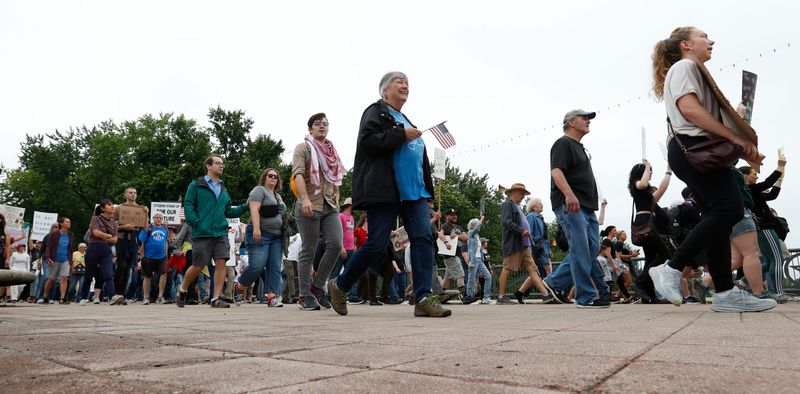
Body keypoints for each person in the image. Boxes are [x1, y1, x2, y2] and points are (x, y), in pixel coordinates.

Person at [648, 27, 775, 312]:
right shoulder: (684, 65)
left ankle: (725, 292)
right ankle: (671, 268)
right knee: (729, 209)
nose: (712, 40)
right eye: (704, 36)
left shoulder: (690, 70)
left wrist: (736, 125)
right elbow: (691, 111)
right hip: (694, 149)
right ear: (686, 44)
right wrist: (734, 137)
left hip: (694, 151)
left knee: (720, 217)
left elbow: (698, 113)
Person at [329, 71, 450, 317]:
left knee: (424, 239)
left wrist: (426, 189)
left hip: (415, 193)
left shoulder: (406, 119)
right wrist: (401, 134)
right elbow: (368, 142)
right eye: (399, 82)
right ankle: (340, 285)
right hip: (386, 189)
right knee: (375, 244)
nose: (405, 85)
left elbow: (420, 160)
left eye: (407, 83)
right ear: (385, 91)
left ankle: (424, 297)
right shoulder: (375, 111)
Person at [544, 109, 609, 308]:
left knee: (591, 247)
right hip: (571, 204)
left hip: (587, 206)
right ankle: (585, 297)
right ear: (571, 122)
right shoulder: (562, 144)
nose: (588, 121)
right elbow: (556, 172)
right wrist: (569, 194)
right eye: (584, 117)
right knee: (580, 248)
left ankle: (554, 282)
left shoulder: (580, 147)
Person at [176, 155, 247, 308]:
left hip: (220, 232)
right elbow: (188, 205)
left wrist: (246, 206)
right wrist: (196, 223)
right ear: (208, 166)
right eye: (217, 163)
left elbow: (228, 211)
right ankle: (182, 289)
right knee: (199, 265)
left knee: (221, 262)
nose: (221, 166)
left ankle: (215, 298)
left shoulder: (223, 188)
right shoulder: (196, 185)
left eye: (222, 163)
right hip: (202, 233)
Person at [291, 113, 346, 311]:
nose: (322, 126)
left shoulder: (331, 150)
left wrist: (337, 192)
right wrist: (304, 198)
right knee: (309, 249)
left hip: (330, 205)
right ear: (310, 129)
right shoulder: (303, 148)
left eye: (325, 124)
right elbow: (297, 173)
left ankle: (317, 287)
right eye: (317, 124)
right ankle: (304, 294)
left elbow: (336, 174)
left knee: (336, 244)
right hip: (310, 204)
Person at [496, 183, 556, 304]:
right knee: (507, 268)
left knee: (533, 269)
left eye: (524, 193)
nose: (523, 196)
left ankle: (545, 295)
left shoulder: (518, 207)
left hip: (525, 244)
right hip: (515, 244)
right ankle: (501, 296)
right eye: (521, 193)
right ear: (513, 193)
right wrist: (521, 230)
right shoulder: (508, 205)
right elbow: (506, 222)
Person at [741, 160, 789, 302]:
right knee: (777, 259)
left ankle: (742, 282)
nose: (756, 177)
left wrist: (780, 179)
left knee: (768, 262)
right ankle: (778, 293)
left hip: (761, 229)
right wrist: (780, 167)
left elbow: (772, 194)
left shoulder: (752, 192)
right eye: (754, 174)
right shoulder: (749, 189)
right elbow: (768, 183)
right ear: (745, 176)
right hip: (765, 228)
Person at [239, 168, 286, 307]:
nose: (273, 178)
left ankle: (272, 296)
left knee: (275, 267)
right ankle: (240, 286)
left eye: (275, 176)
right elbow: (254, 209)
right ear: (264, 177)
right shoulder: (259, 190)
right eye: (270, 175)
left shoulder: (277, 196)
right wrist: (257, 228)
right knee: (257, 266)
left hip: (276, 236)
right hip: (261, 233)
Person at [627, 160, 674, 302]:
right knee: (665, 254)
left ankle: (649, 294)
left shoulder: (647, 195)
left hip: (647, 224)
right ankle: (640, 283)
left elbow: (661, 189)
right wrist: (647, 166)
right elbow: (642, 184)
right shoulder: (636, 184)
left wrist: (668, 171)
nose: (651, 173)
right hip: (644, 223)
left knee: (651, 258)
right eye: (649, 171)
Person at [79, 199, 123, 305]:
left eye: (112, 205)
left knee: (108, 274)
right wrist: (108, 236)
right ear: (103, 208)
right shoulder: (96, 218)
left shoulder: (114, 223)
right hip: (93, 249)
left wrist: (104, 236)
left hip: (106, 250)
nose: (112, 207)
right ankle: (83, 297)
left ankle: (112, 296)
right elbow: (95, 233)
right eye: (109, 205)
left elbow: (115, 240)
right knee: (89, 275)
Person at [114, 187, 146, 303]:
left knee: (128, 268)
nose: (133, 194)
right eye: (131, 192)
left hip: (133, 239)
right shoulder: (119, 208)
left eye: (135, 193)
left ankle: (122, 295)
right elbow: (111, 225)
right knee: (121, 266)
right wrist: (123, 227)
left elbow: (145, 228)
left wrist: (146, 214)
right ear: (125, 195)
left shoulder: (140, 209)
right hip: (121, 239)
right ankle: (115, 293)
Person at [138, 213, 170, 305]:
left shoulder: (165, 229)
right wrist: (142, 255)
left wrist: (166, 254)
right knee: (147, 277)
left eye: (160, 218)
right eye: (157, 218)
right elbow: (142, 241)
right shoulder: (148, 228)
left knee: (164, 275)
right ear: (153, 218)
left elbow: (166, 242)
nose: (159, 219)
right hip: (148, 257)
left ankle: (160, 296)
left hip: (162, 257)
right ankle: (146, 297)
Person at [42, 217, 75, 304]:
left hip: (66, 259)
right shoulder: (53, 234)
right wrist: (48, 257)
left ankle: (62, 298)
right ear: (61, 223)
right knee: (51, 279)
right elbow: (48, 246)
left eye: (69, 222)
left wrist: (71, 261)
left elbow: (71, 249)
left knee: (64, 278)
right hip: (54, 259)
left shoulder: (71, 235)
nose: (69, 223)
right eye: (67, 222)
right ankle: (45, 296)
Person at [464, 216, 493, 305]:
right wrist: (481, 220)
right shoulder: (471, 233)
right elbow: (477, 229)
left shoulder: (477, 236)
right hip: (473, 259)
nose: (477, 225)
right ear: (472, 225)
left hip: (479, 260)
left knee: (488, 277)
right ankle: (469, 297)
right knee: (471, 279)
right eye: (475, 224)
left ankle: (486, 298)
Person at [441, 209, 467, 295]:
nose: (454, 216)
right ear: (447, 216)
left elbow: (466, 237)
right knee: (460, 275)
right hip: (450, 255)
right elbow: (440, 235)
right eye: (452, 215)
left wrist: (457, 236)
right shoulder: (445, 226)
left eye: (455, 214)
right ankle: (464, 296)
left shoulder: (458, 227)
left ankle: (440, 295)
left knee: (447, 278)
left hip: (457, 255)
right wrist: (446, 241)